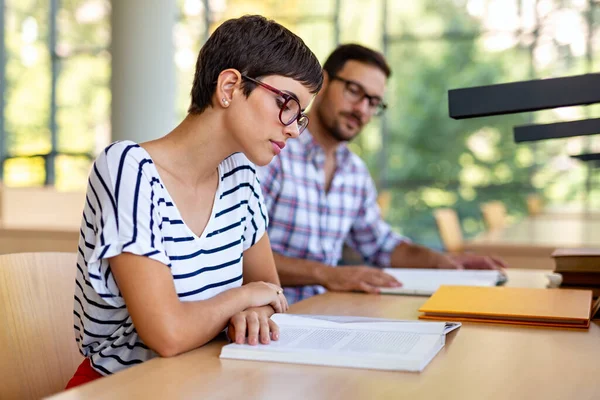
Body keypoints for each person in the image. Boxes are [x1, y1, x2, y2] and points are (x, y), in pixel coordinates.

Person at [67, 15, 323, 388]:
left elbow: (272, 293)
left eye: (299, 116)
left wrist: (253, 307)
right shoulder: (128, 168)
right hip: (122, 387)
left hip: (208, 381)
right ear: (231, 86)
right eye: (286, 104)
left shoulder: (241, 178)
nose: (291, 128)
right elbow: (168, 334)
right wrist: (246, 296)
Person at [257, 43, 506, 304]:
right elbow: (241, 251)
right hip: (267, 320)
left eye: (373, 102)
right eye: (354, 91)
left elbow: (381, 245)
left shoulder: (354, 172)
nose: (362, 109)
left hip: (323, 315)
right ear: (324, 81)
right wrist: (327, 274)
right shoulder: (273, 152)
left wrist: (443, 262)